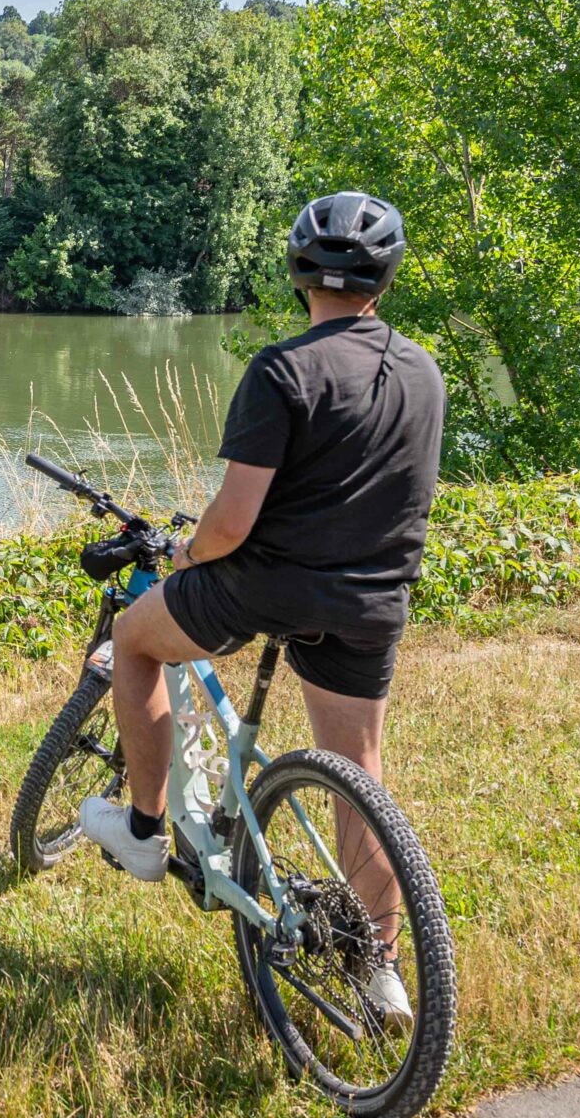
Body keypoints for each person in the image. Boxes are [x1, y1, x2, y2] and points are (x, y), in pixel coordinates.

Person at [80, 190, 444, 1025]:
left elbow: (232, 522)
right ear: (383, 278)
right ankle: (379, 964)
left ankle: (142, 831)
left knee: (136, 642)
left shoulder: (282, 370)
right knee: (358, 775)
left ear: (297, 275)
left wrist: (186, 552)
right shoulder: (424, 371)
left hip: (265, 585)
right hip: (372, 600)